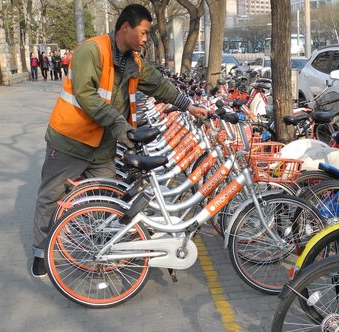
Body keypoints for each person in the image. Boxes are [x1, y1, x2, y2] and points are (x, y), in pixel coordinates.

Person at [30, 4, 210, 277]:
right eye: (144, 32)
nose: (146, 38)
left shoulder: (134, 62)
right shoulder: (91, 51)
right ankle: (41, 252)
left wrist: (188, 105)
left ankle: (101, 249)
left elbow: (160, 85)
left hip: (102, 146)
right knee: (51, 196)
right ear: (125, 27)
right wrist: (118, 123)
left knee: (109, 198)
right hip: (70, 139)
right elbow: (85, 94)